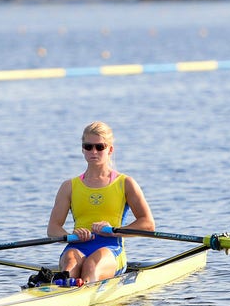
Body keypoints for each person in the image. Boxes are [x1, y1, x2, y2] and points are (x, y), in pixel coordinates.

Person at [47, 121, 155, 284]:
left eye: (100, 147)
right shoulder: (69, 186)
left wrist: (114, 231)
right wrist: (71, 237)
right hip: (77, 246)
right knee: (70, 264)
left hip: (111, 248)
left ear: (110, 149)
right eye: (88, 146)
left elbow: (148, 224)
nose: (94, 151)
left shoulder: (125, 183)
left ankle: (83, 296)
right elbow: (53, 229)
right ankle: (64, 288)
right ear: (82, 149)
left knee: (92, 265)